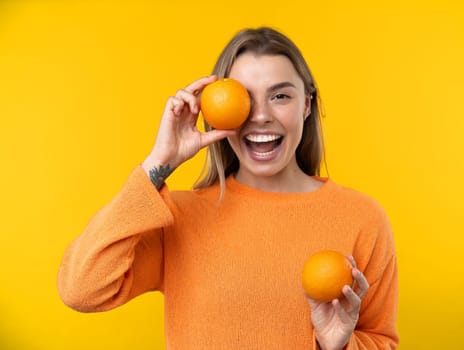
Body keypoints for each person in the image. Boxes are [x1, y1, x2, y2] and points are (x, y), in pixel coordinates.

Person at [57, 27, 399, 350]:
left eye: (280, 95)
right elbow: (81, 289)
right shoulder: (178, 217)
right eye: (243, 97)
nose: (260, 116)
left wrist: (337, 346)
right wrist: (158, 163)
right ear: (214, 109)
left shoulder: (362, 218)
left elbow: (381, 339)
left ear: (307, 105)